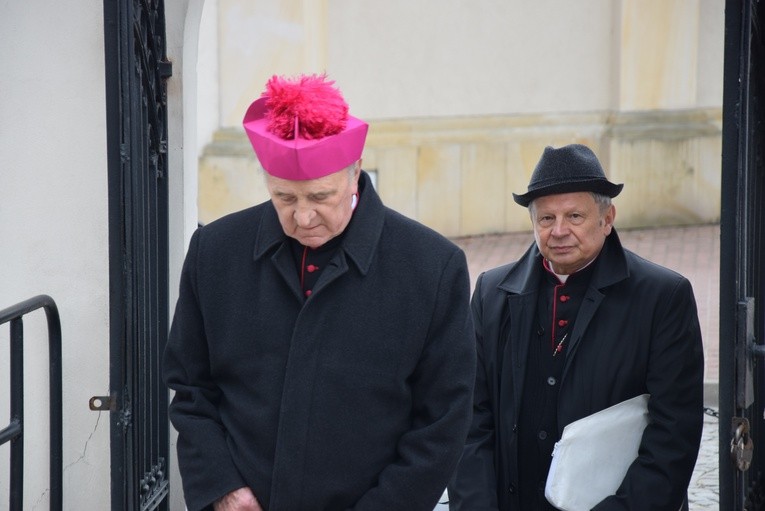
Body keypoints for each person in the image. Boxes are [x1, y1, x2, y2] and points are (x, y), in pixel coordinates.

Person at [162, 73, 476, 511]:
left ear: (354, 175)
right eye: (284, 198)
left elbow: (443, 422)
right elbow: (190, 388)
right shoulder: (215, 252)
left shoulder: (432, 266)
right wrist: (222, 486)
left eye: (320, 196)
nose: (303, 217)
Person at [448, 144, 704, 510]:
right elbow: (469, 418)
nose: (559, 231)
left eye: (575, 216)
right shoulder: (492, 292)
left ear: (607, 217)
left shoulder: (662, 295)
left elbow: (673, 434)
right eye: (546, 219)